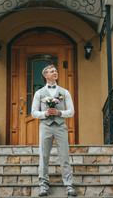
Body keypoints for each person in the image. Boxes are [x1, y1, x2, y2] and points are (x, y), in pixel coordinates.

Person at [31, 65, 77, 197]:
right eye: (52, 71)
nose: (55, 72)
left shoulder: (65, 92)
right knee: (44, 156)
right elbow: (33, 112)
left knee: (64, 156)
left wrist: (59, 112)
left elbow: (71, 112)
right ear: (46, 75)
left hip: (61, 126)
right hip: (45, 126)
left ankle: (69, 186)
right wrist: (44, 114)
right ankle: (43, 186)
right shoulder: (39, 93)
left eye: (56, 71)